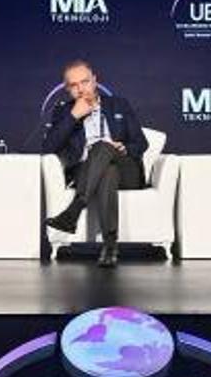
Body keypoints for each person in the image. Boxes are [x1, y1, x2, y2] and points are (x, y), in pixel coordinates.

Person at [41, 59, 148, 267]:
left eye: (85, 82)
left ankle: (74, 209)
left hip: (126, 168)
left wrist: (124, 148)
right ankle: (110, 247)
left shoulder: (119, 104)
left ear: (95, 80)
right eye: (74, 85)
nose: (81, 89)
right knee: (108, 172)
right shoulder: (63, 112)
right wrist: (74, 116)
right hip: (86, 171)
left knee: (104, 147)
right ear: (67, 89)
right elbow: (49, 147)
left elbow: (141, 143)